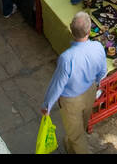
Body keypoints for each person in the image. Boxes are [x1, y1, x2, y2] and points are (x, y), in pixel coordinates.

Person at [41, 11, 108, 155]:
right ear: (89, 31)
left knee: (77, 137)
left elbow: (58, 84)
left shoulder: (67, 58)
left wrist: (47, 105)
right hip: (90, 91)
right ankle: (71, 147)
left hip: (71, 101)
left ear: (71, 31)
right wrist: (95, 84)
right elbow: (103, 72)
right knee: (81, 127)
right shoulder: (98, 47)